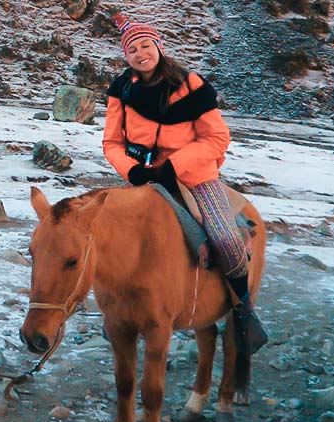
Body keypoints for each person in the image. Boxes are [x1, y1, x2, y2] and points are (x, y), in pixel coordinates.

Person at [102, 14, 268, 355]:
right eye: (132, 49)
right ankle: (118, 312)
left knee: (224, 236)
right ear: (126, 56)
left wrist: (174, 165)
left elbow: (217, 138)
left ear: (159, 47)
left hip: (194, 176)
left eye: (145, 45)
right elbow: (111, 143)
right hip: (144, 176)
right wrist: (132, 171)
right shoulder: (121, 89)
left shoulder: (191, 85)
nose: (140, 53)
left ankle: (244, 309)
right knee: (110, 238)